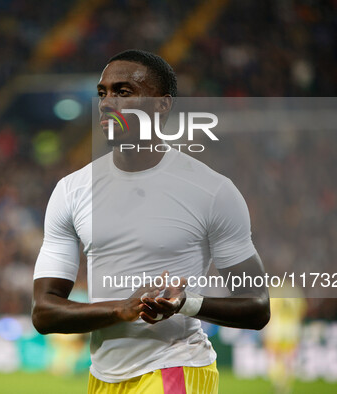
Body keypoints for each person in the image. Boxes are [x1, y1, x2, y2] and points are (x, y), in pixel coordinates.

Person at [32, 49, 270, 394]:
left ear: (162, 105)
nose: (107, 103)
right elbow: (44, 311)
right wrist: (120, 309)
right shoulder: (71, 191)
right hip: (104, 378)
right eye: (103, 93)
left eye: (123, 92)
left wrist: (187, 303)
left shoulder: (211, 191)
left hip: (176, 369)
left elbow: (257, 307)